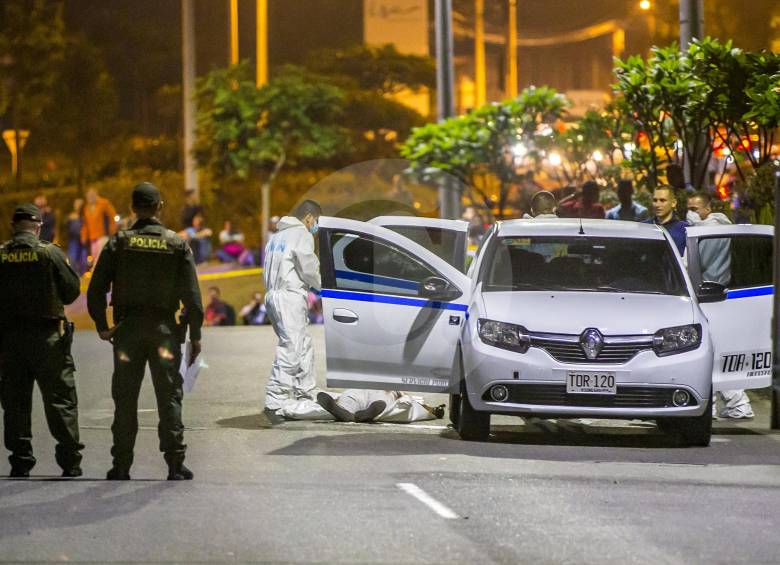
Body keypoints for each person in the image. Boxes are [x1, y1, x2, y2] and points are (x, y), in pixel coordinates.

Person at [87, 182, 204, 481]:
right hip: (165, 331)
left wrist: (102, 326)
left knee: (125, 399)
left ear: (132, 207)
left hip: (127, 332)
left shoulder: (119, 243)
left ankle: (121, 465)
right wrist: (196, 334)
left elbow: (96, 289)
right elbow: (192, 296)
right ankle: (175, 464)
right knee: (169, 397)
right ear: (160, 207)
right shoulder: (176, 243)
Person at [0, 204, 83, 478]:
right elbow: (71, 291)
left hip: (10, 340)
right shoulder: (49, 253)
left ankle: (20, 461)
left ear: (14, 226)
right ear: (38, 226)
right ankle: (70, 462)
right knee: (60, 400)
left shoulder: (1, 255)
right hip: (48, 339)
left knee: (15, 402)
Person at [686, 192, 754, 420]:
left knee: (708, 354)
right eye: (689, 208)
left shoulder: (706, 233)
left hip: (707, 298)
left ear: (707, 209)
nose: (691, 212)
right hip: (723, 297)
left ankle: (718, 406)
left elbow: (692, 264)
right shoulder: (725, 227)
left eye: (695, 208)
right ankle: (737, 405)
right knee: (719, 352)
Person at [263, 200, 322, 418]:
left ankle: (305, 390)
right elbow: (308, 267)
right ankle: (276, 397)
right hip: (289, 296)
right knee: (292, 347)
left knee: (303, 344)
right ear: (309, 218)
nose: (315, 228)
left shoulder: (276, 237)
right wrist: (323, 285)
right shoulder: (301, 234)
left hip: (273, 295)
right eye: (316, 222)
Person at [316, 390, 445, 423]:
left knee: (349, 397)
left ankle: (346, 412)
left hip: (361, 391)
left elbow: (414, 403)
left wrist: (433, 410)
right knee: (382, 399)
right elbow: (415, 404)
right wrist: (433, 411)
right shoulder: (396, 390)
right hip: (380, 393)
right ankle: (348, 412)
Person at [644, 186, 688, 256]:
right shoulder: (644, 227)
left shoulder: (685, 230)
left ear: (673, 203)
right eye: (655, 200)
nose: (657, 205)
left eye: (662, 200)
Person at [81, 188, 118, 266]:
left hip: (103, 235)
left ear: (96, 194)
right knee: (95, 258)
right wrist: (84, 235)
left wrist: (113, 231)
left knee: (100, 257)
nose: (89, 197)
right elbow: (86, 224)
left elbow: (112, 217)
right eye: (88, 196)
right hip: (92, 237)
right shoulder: (87, 208)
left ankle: (98, 275)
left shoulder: (104, 203)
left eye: (91, 195)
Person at [65, 198, 88, 274]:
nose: (78, 206)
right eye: (76, 204)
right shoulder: (71, 216)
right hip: (73, 240)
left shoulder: (86, 215)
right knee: (72, 258)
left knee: (83, 260)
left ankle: (81, 275)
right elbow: (66, 228)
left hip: (83, 240)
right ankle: (73, 275)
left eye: (80, 204)